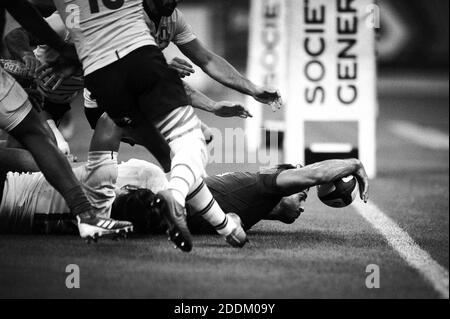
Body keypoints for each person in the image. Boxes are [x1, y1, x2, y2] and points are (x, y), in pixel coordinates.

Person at [50, 0, 250, 252]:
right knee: (195, 140)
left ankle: (227, 227)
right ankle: (173, 199)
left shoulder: (170, 18)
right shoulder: (134, 16)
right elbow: (202, 60)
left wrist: (65, 50)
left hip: (100, 78)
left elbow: (26, 19)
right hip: (133, 61)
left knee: (170, 156)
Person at [0, 143, 369, 237]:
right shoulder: (263, 185)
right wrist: (351, 164)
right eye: (302, 194)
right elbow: (311, 175)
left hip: (137, 188)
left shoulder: (258, 202)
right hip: (133, 187)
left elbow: (247, 213)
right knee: (54, 169)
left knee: (55, 167)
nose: (304, 202)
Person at [0, 0, 132, 240]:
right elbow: (18, 28)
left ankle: (84, 212)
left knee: (34, 144)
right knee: (52, 146)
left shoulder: (117, 39)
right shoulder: (69, 21)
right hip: (40, 98)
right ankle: (82, 209)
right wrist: (32, 54)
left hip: (53, 103)